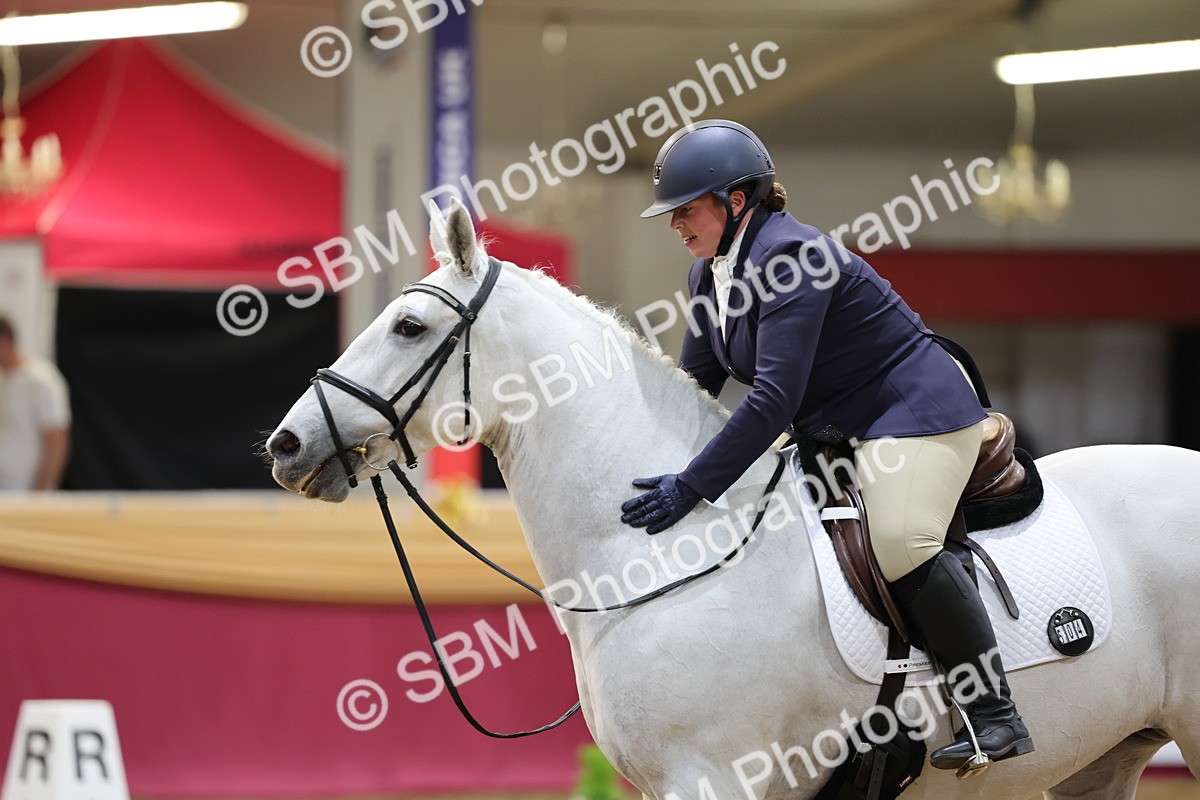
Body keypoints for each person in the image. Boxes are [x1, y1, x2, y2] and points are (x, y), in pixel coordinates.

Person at [619, 120, 1033, 770]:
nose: (675, 225)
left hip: (915, 413)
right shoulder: (708, 276)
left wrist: (693, 486)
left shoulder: (789, 256)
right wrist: (649, 462)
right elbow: (693, 391)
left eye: (685, 209)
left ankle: (994, 714)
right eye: (671, 214)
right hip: (839, 430)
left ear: (736, 200)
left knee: (901, 542)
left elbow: (772, 400)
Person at [0, 316, 71, 491]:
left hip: (23, 494)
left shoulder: (41, 380)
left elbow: (56, 442)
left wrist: (38, 495)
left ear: (6, 341)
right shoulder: (3, 380)